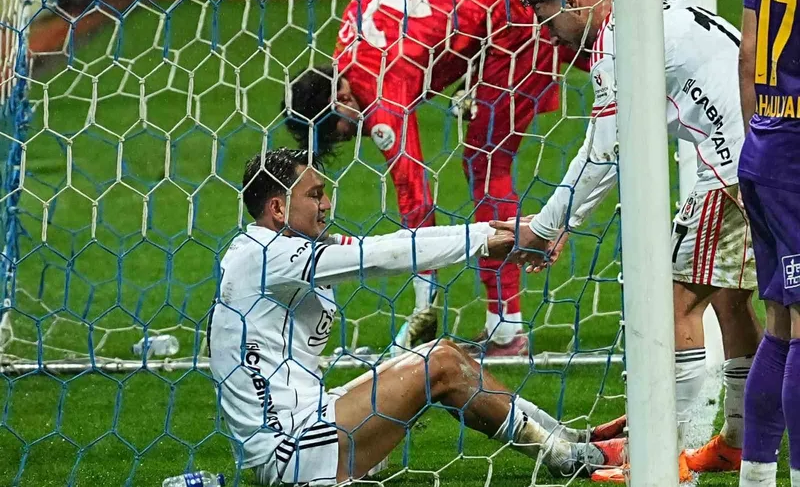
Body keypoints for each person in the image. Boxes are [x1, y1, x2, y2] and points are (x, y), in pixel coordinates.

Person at [492, 0, 762, 482]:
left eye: (549, 20)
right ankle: (737, 441)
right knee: (730, 298)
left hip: (732, 167)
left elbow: (603, 153)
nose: (550, 36)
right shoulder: (647, 4)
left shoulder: (618, 41)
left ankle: (659, 454)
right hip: (765, 148)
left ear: (573, 2)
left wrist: (544, 227)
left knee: (675, 303)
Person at [207, 148, 626, 485]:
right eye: (315, 195)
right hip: (294, 453)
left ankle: (568, 439)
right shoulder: (266, 255)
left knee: (445, 352)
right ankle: (568, 458)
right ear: (278, 208)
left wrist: (499, 232)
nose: (327, 203)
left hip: (313, 425)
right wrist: (488, 244)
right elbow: (380, 257)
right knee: (440, 364)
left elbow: (399, 240)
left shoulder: (284, 250)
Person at [284, 0, 587, 356]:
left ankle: (506, 330)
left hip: (518, 8)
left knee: (487, 162)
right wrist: (474, 76)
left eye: (344, 129)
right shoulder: (350, 41)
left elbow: (417, 200)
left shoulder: (378, 89)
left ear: (341, 98)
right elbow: (440, 19)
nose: (357, 135)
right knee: (624, 61)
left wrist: (422, 304)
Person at [737, 0, 800, 487]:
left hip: (763, 149)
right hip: (798, 159)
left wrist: (760, 135)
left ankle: (756, 476)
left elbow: (749, 52)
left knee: (781, 323)